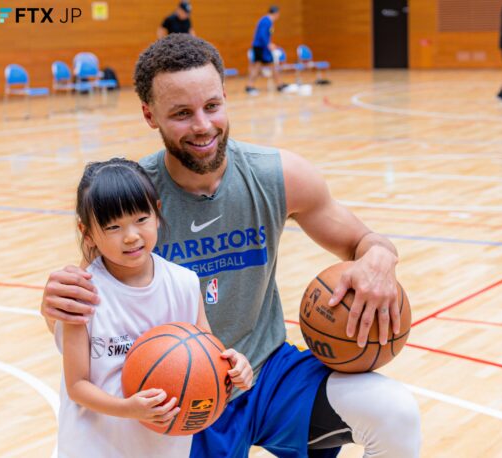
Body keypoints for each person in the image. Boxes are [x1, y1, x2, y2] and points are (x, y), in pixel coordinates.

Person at [41, 34, 421, 457]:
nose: (202, 125)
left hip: (267, 373)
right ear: (150, 115)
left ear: (226, 96)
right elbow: (95, 310)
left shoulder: (278, 175)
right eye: (182, 113)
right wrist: (55, 307)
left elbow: (365, 241)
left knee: (394, 411)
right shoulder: (136, 202)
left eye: (212, 106)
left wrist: (381, 261)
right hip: (178, 390)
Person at [58, 158, 252, 457]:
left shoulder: (185, 284)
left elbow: (210, 356)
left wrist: (236, 368)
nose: (131, 235)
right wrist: (128, 408)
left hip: (163, 446)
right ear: (87, 233)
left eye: (141, 219)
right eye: (113, 226)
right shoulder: (83, 294)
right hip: (94, 446)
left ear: (157, 213)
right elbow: (77, 386)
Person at [245, 5, 288, 95]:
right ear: (276, 13)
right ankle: (249, 86)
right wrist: (268, 44)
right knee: (257, 66)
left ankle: (279, 85)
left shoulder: (268, 21)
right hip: (261, 47)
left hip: (263, 47)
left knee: (272, 65)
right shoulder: (266, 21)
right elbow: (262, 34)